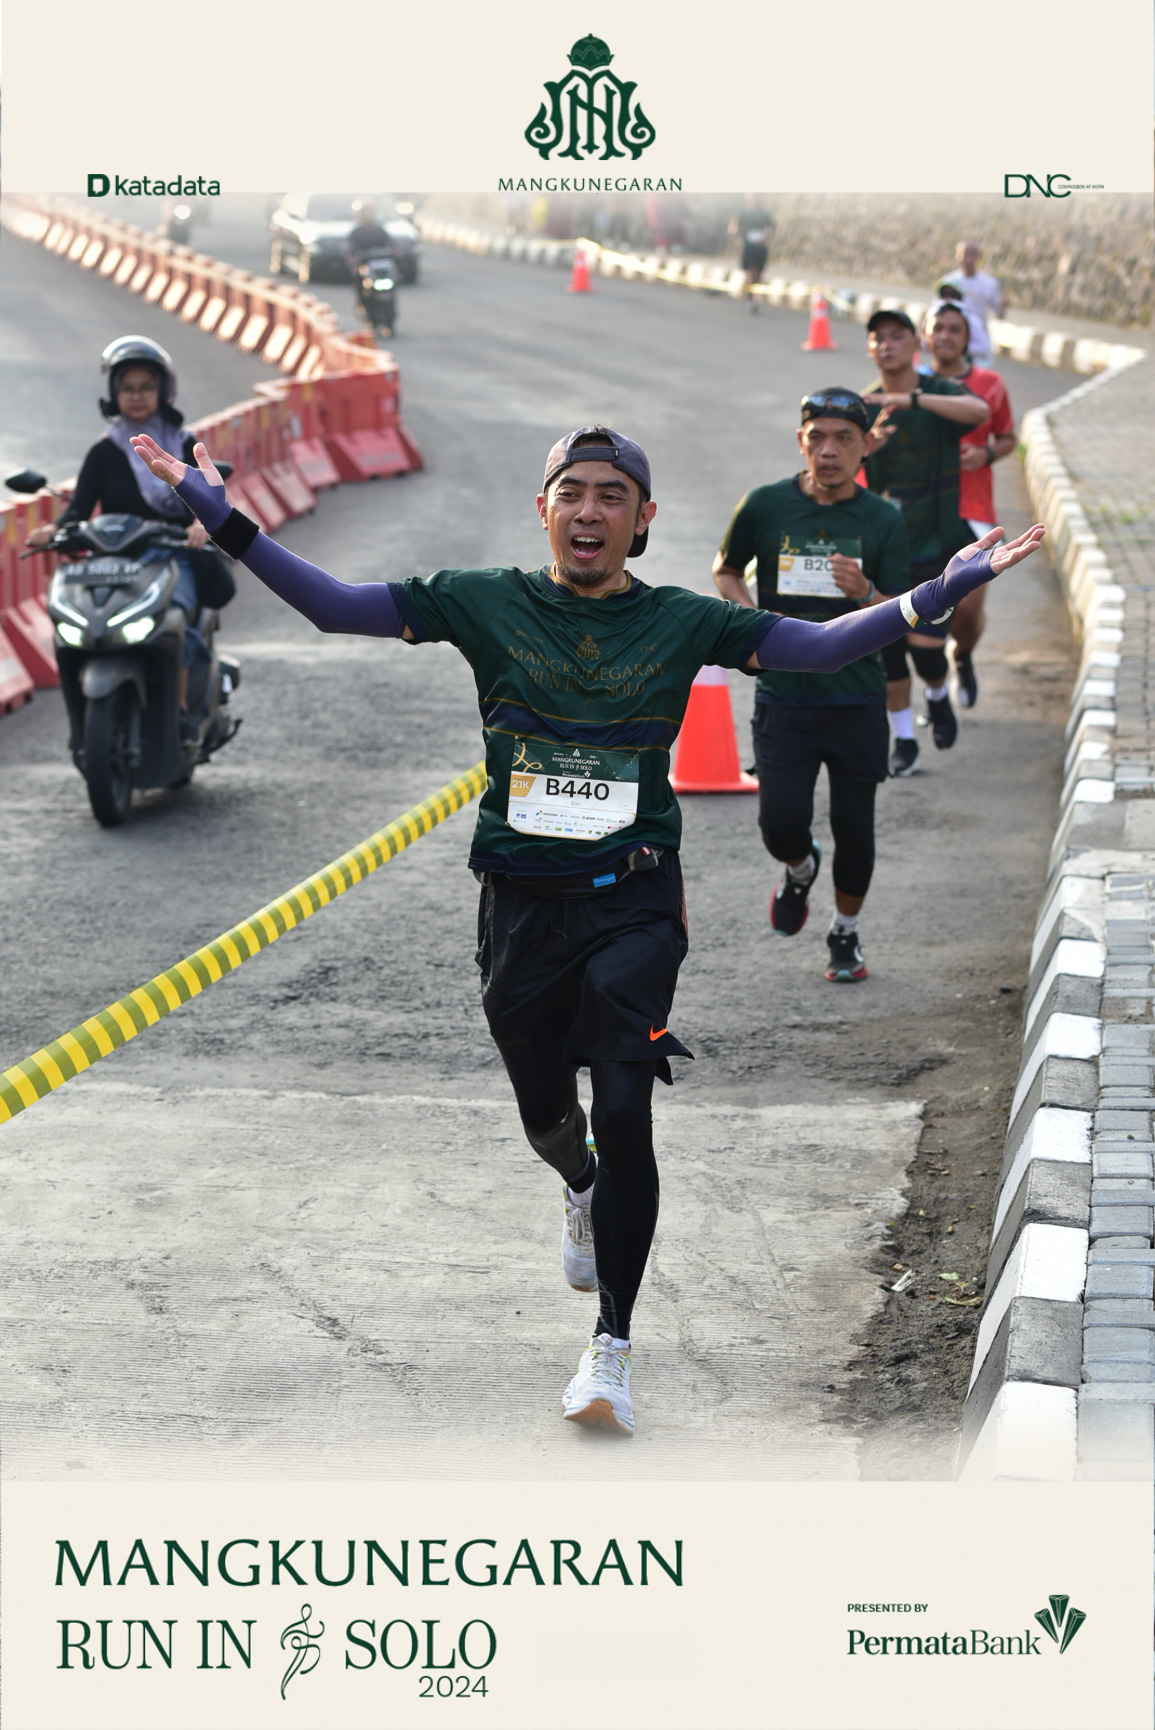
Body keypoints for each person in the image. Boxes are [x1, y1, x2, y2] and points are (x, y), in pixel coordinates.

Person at [131, 421, 1043, 1436]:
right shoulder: (484, 600)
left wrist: (932, 594)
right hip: (521, 903)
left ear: (642, 519)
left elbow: (817, 644)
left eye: (613, 495)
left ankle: (610, 1344)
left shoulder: (682, 619)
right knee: (546, 1114)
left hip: (633, 899)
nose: (590, 510)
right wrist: (225, 522)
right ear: (544, 510)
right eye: (572, 492)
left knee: (625, 1101)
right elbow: (335, 605)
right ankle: (576, 1179)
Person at [712, 390, 910, 982]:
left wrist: (865, 593)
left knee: (855, 829)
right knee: (780, 825)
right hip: (784, 696)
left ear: (865, 445)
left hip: (856, 698)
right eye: (816, 438)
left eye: (843, 439)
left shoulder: (883, 519)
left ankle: (845, 932)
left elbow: (902, 611)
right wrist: (753, 621)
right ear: (801, 442)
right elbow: (726, 569)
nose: (828, 451)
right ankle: (799, 870)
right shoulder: (765, 505)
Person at [25, 335, 224, 732]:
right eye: (128, 388)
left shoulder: (183, 443)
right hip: (117, 560)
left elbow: (209, 500)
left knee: (176, 615)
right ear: (114, 393)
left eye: (146, 387)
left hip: (174, 556)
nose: (136, 396)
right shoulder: (104, 450)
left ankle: (180, 712)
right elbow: (79, 509)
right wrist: (53, 530)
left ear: (163, 391)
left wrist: (200, 525)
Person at [861, 309, 989, 775]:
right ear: (870, 348)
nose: (887, 344)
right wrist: (866, 449)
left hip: (937, 540)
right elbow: (831, 462)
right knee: (890, 653)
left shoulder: (938, 391)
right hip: (885, 546)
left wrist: (912, 400)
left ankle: (937, 694)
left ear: (915, 344)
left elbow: (980, 412)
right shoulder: (865, 404)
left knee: (925, 646)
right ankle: (904, 740)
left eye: (897, 336)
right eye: (878, 338)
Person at [924, 301, 1017, 709]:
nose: (945, 336)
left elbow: (1008, 438)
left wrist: (986, 455)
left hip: (973, 510)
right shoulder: (912, 384)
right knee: (919, 611)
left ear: (967, 338)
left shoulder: (989, 383)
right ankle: (933, 687)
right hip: (920, 515)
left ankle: (962, 655)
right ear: (926, 335)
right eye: (938, 328)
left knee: (967, 609)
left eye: (954, 329)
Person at [940, 242, 1005, 369]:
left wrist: (1003, 306)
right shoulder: (948, 282)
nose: (968, 258)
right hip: (954, 339)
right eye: (964, 254)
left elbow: (999, 314)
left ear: (978, 257)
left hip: (977, 340)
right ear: (957, 255)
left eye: (971, 254)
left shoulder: (989, 283)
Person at [729, 198, 776, 311]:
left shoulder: (764, 214)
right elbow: (733, 226)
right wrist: (737, 232)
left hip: (760, 247)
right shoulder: (743, 213)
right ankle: (750, 300)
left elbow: (771, 228)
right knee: (751, 273)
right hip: (749, 247)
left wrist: (765, 236)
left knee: (758, 275)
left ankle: (748, 294)